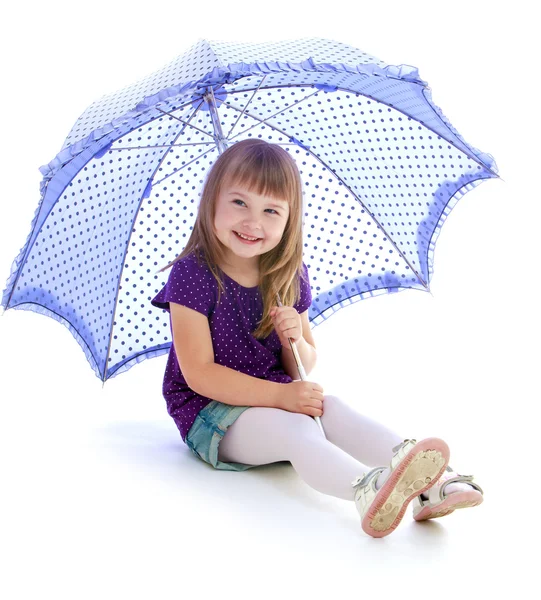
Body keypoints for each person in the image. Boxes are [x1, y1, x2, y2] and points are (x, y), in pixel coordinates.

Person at [150, 139, 483, 538]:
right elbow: (199, 374)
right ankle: (366, 487)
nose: (253, 222)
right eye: (239, 203)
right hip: (210, 414)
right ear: (212, 203)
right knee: (300, 430)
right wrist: (280, 397)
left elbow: (302, 364)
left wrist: (293, 336)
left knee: (330, 406)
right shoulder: (192, 275)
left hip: (277, 400)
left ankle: (434, 482)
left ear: (289, 219)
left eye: (270, 210)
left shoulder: (287, 274)